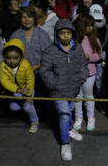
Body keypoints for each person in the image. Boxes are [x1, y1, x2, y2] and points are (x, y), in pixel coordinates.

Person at [40, 19, 88, 162]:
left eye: (68, 33)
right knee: (64, 114)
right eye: (62, 33)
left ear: (72, 33)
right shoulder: (50, 51)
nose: (66, 36)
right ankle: (65, 143)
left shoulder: (77, 48)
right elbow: (45, 71)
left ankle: (68, 130)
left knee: (70, 110)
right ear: (57, 34)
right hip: (58, 91)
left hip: (73, 89)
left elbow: (83, 66)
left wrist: (80, 80)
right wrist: (53, 84)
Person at [0, 39, 39, 133]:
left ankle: (34, 121)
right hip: (16, 90)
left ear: (21, 56)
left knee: (27, 107)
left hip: (28, 89)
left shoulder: (26, 65)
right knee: (14, 107)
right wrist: (18, 89)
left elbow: (30, 81)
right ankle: (29, 108)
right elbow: (4, 82)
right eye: (8, 58)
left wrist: (28, 96)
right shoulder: (2, 66)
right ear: (4, 57)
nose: (12, 61)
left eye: (15, 58)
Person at [72, 14, 102, 132]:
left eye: (91, 25)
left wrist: (88, 56)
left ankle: (90, 117)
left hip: (90, 73)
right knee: (77, 96)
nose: (90, 28)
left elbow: (99, 54)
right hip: (75, 73)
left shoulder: (94, 39)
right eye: (88, 25)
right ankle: (78, 117)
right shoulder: (73, 39)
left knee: (88, 96)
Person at [10, 7, 52, 72]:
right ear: (20, 19)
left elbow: (50, 54)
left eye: (29, 17)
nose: (27, 19)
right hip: (21, 73)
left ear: (34, 18)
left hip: (41, 73)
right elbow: (10, 55)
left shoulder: (42, 34)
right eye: (24, 17)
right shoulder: (15, 35)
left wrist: (38, 66)